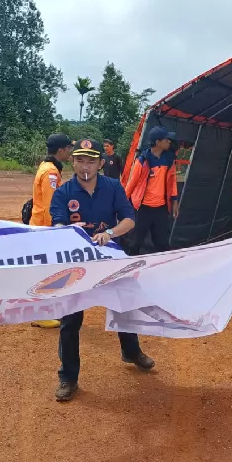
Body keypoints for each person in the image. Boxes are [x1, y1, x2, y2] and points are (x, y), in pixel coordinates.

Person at [49, 138, 154, 402]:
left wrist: (109, 232)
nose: (85, 165)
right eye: (80, 159)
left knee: (124, 303)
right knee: (70, 320)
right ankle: (68, 377)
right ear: (72, 161)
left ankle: (131, 351)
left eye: (91, 160)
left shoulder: (114, 187)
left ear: (101, 163)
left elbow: (129, 220)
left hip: (110, 259)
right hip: (76, 263)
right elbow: (58, 226)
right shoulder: (63, 192)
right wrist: (74, 234)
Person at [30, 133, 74, 329]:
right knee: (46, 271)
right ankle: (40, 313)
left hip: (40, 225)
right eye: (69, 148)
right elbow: (51, 205)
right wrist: (56, 230)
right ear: (61, 150)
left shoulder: (47, 167)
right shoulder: (51, 173)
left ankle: (46, 310)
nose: (71, 152)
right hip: (45, 227)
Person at [124, 126, 180, 254]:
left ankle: (162, 269)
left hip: (161, 208)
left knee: (162, 243)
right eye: (166, 140)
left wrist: (175, 201)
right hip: (143, 208)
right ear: (158, 142)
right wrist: (121, 205)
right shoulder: (142, 161)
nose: (169, 142)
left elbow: (172, 182)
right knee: (135, 242)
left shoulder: (169, 159)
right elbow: (131, 185)